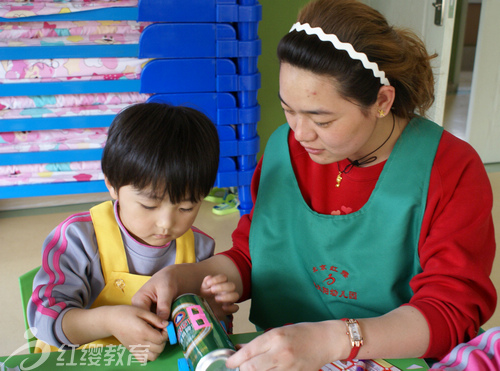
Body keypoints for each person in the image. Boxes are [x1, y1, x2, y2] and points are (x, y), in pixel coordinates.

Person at [132, 0, 497, 369]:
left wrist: (331, 341)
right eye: (288, 110)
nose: (300, 133)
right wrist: (181, 278)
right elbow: (255, 256)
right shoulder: (282, 149)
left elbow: (452, 310)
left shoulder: (450, 169)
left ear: (382, 102)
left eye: (321, 119)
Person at [27, 102, 229, 361]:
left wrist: (214, 313)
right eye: (149, 205)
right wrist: (109, 321)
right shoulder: (79, 239)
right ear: (112, 185)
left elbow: (209, 340)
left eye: (186, 207)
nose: (167, 223)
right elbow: (43, 321)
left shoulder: (199, 249)